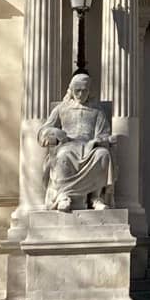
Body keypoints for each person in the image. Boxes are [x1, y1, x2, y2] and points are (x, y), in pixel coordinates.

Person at [40, 72, 114, 212]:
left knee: (103, 154)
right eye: (77, 91)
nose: (81, 94)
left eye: (84, 90)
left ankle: (95, 198)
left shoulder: (97, 111)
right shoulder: (61, 108)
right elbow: (43, 130)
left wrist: (98, 141)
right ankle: (63, 196)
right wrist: (55, 133)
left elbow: (105, 134)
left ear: (89, 91)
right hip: (67, 144)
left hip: (90, 146)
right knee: (63, 155)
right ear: (71, 91)